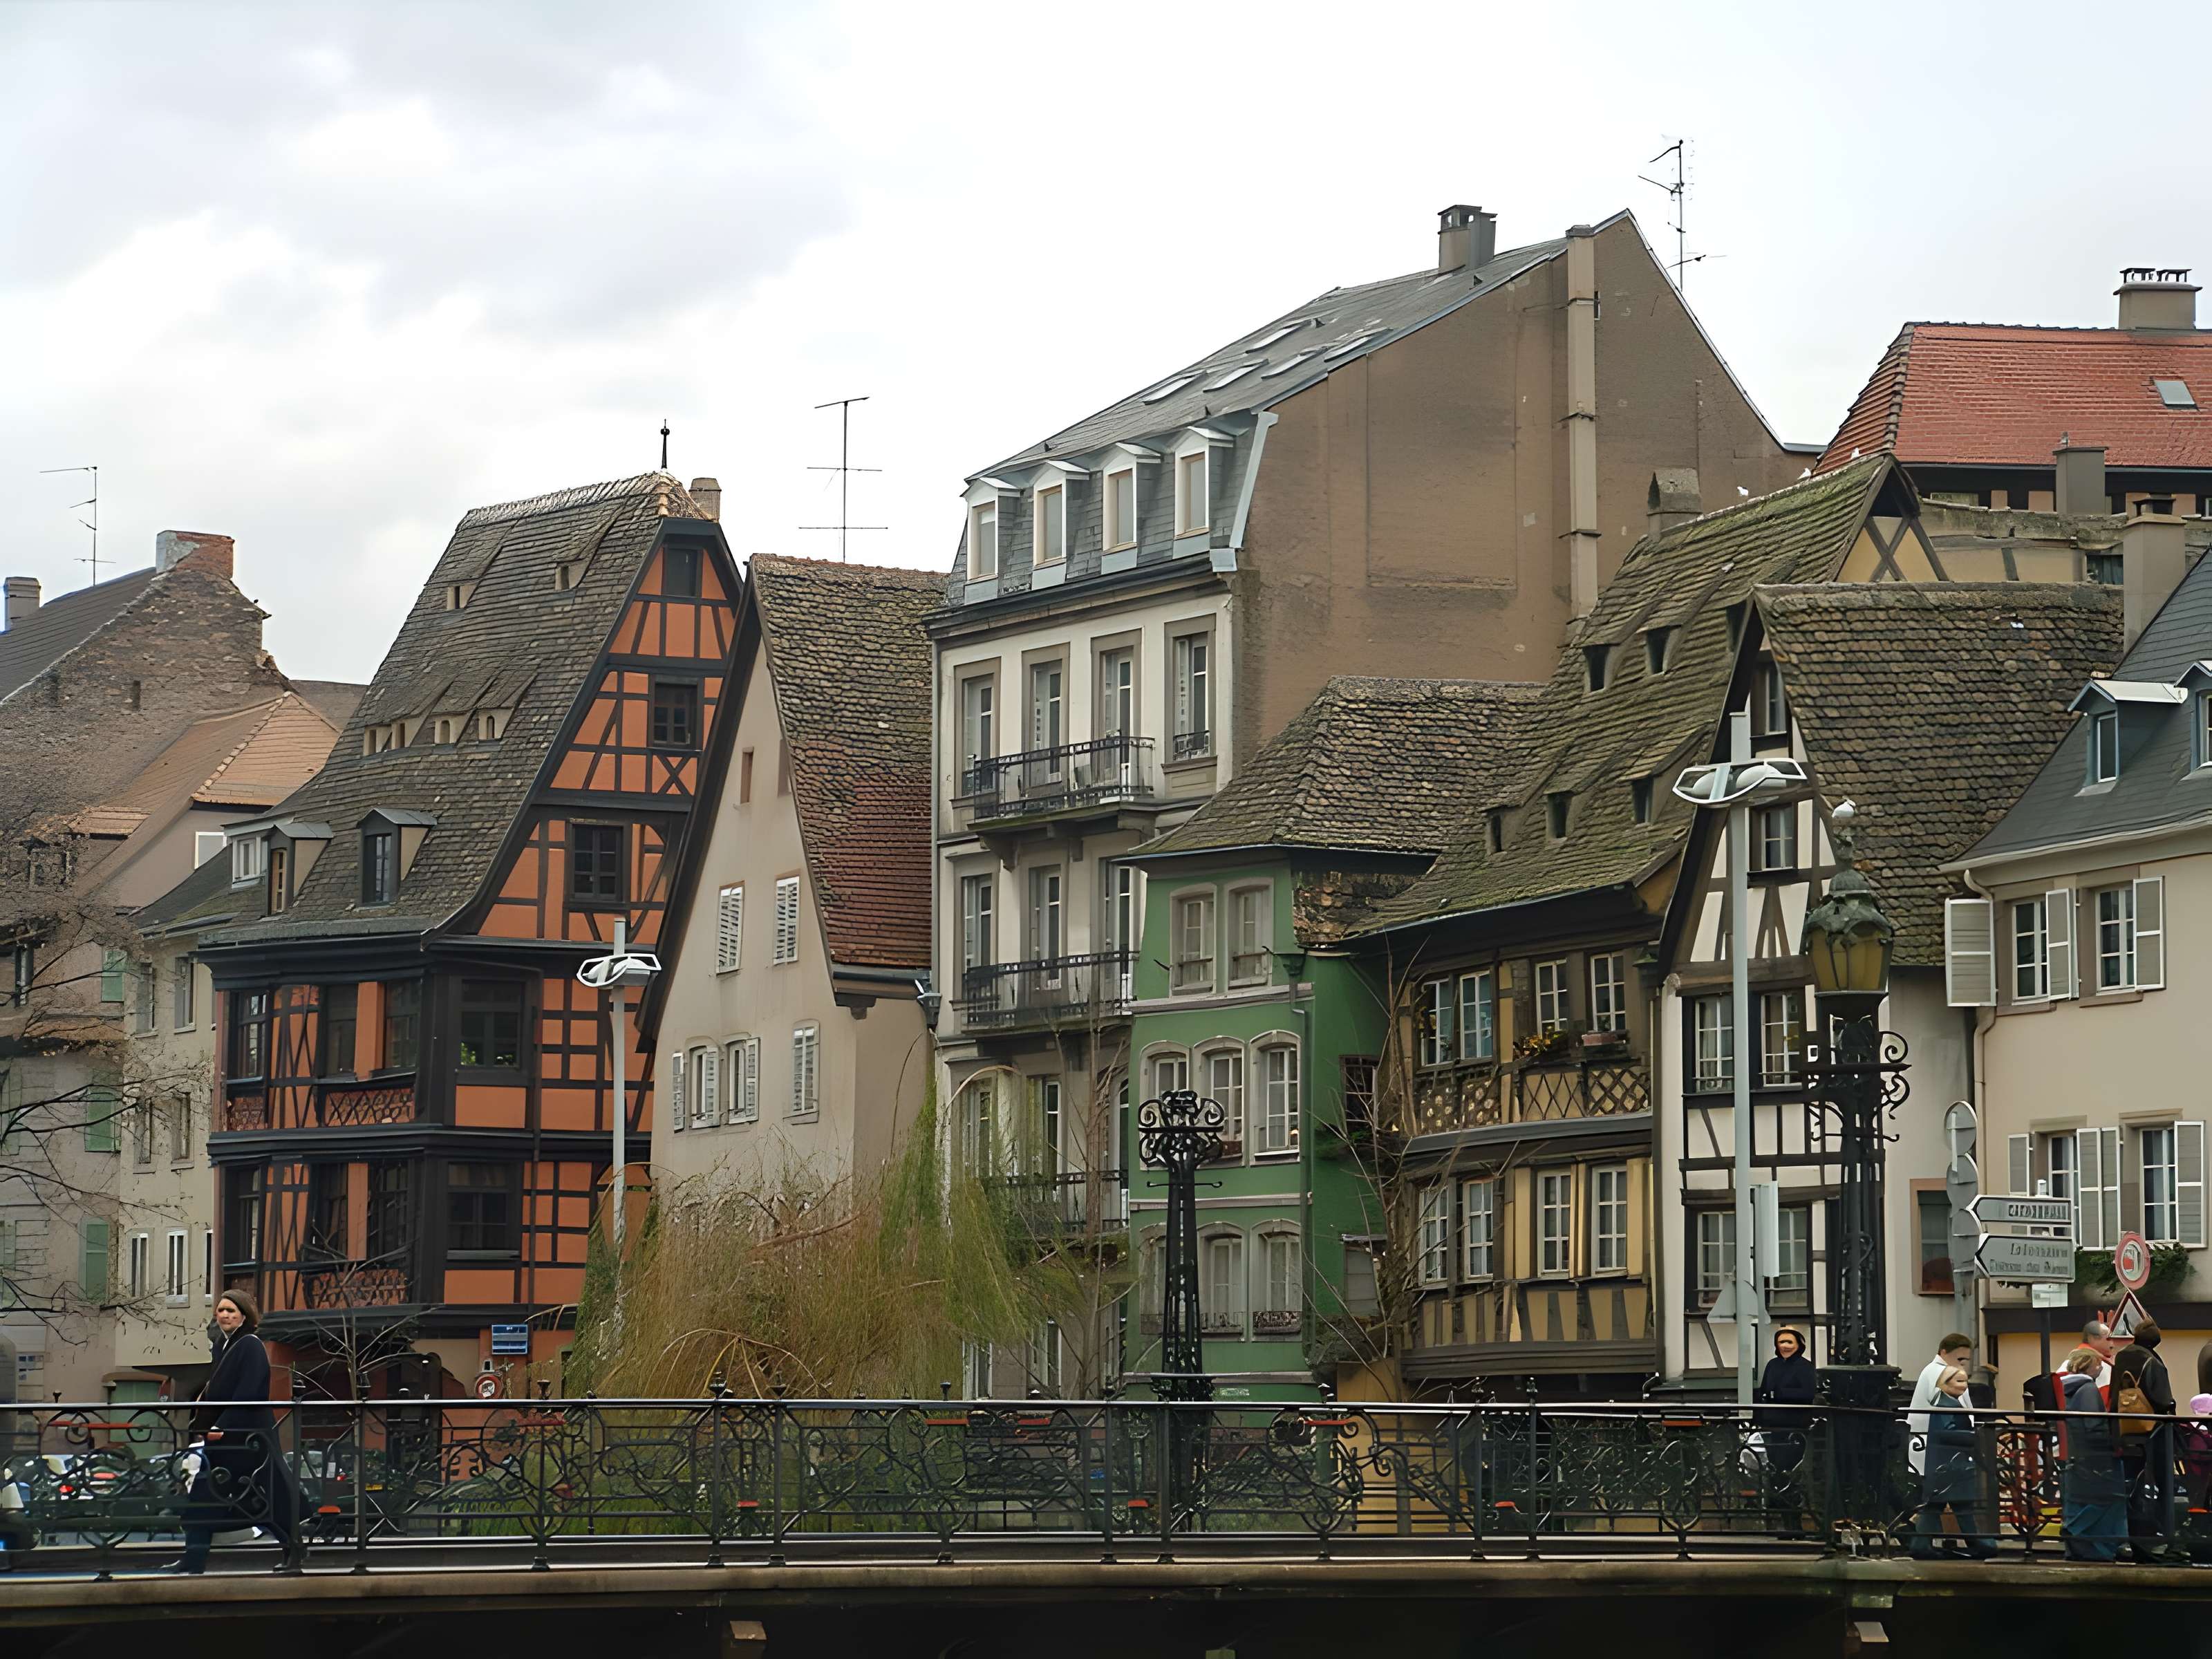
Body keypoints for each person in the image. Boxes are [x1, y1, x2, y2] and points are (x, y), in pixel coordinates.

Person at [165, 1289, 303, 1575]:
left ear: (244, 1315)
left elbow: (250, 1392)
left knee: (264, 1499)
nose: (225, 1315)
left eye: (232, 1310)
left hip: (248, 1438)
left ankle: (294, 1550)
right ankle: (194, 1559)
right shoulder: (223, 1345)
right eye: (221, 1310)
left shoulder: (250, 1345)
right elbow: (219, 1390)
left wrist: (220, 1427)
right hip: (230, 1439)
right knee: (204, 1498)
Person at [2112, 1320, 2182, 1566]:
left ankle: (2130, 1535)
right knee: (2159, 1483)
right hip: (2151, 1433)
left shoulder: (2122, 1358)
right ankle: (2159, 1537)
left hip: (2124, 1429)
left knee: (2131, 1486)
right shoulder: (2152, 1361)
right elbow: (2163, 1400)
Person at [1911, 1365, 1998, 1560]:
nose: (1964, 1386)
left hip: (1947, 1464)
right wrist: (1973, 1437)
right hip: (1952, 1465)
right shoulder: (1945, 1406)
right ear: (1944, 1384)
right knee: (1958, 1506)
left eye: (1965, 1381)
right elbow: (1946, 1432)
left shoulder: (1945, 1404)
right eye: (1959, 1381)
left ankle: (1921, 1544)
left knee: (1938, 1507)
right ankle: (1982, 1545)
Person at [2059, 1347, 2126, 1562]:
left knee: (2082, 1499)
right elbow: (2094, 1425)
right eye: (2098, 1364)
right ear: (2089, 1366)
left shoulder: (2068, 1389)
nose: (2101, 1368)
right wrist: (2113, 1442)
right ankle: (2077, 1530)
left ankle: (2079, 1542)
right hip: (2095, 1455)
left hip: (2076, 1454)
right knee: (2111, 1496)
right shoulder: (2088, 1389)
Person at [1754, 1327, 1818, 1479]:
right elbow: (1764, 1389)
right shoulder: (1772, 1365)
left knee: (1791, 1464)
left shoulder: (1805, 1367)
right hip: (1772, 1423)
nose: (1784, 1346)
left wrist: (1780, 1394)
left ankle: (1790, 1495)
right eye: (1781, 1342)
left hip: (1795, 1424)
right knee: (1773, 1462)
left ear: (1799, 1344)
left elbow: (1808, 1394)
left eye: (1789, 1342)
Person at [1909, 1333, 1974, 1478]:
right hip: (1940, 1448)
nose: (1963, 1363)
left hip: (1939, 1446)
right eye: (1959, 1358)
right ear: (1944, 1352)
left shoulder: (1938, 1371)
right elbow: (1956, 1411)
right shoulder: (1938, 1372)